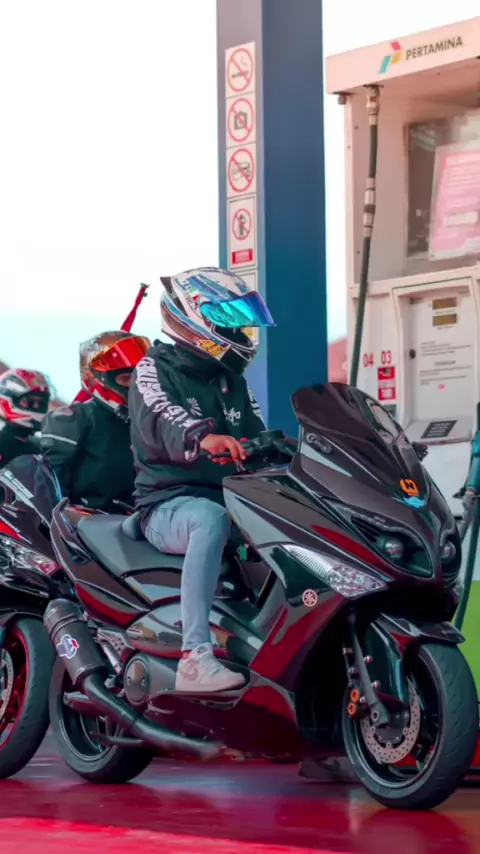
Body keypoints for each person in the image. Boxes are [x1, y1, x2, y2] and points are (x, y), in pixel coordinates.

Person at [129, 267, 273, 693]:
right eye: (228, 319)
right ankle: (195, 657)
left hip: (233, 499)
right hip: (166, 504)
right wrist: (202, 438)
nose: (239, 330)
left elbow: (260, 434)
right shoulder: (153, 368)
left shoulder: (233, 381)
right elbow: (161, 418)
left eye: (241, 321)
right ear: (194, 317)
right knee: (209, 518)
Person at [41, 330, 151, 511]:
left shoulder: (149, 421)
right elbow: (51, 490)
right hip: (86, 521)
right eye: (125, 378)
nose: (135, 385)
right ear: (93, 378)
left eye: (140, 378)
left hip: (143, 518)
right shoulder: (71, 419)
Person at [0, 368, 52, 466]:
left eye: (42, 403)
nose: (36, 406)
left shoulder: (42, 450)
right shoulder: (3, 443)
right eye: (29, 401)